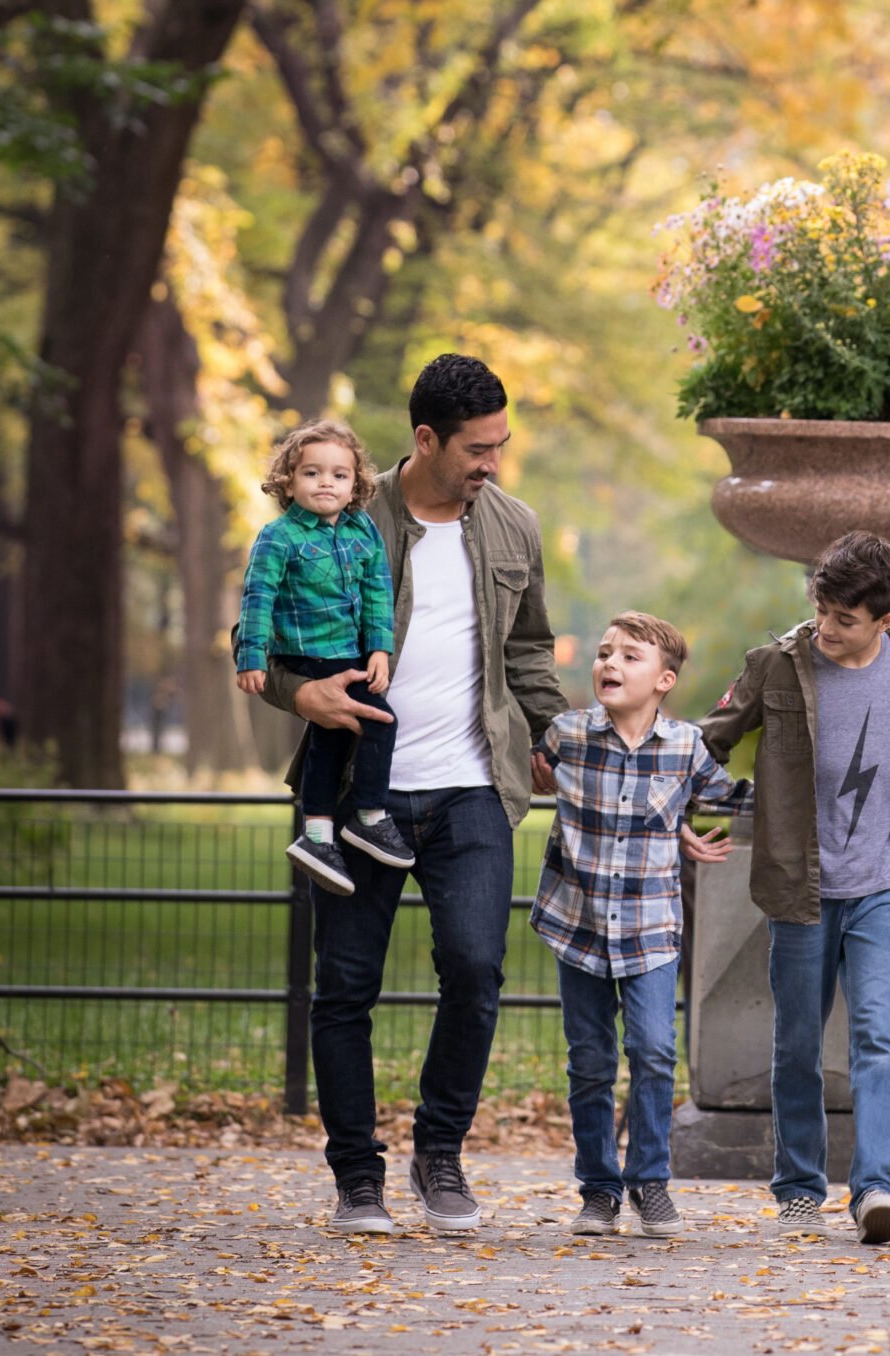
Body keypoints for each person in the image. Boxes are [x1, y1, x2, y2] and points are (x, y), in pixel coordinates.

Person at [258, 355, 582, 1237]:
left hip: (474, 787)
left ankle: (440, 1154)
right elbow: (268, 639)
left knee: (476, 970)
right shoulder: (341, 518)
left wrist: (551, 734)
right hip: (362, 787)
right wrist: (301, 695)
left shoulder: (514, 526)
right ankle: (356, 1176)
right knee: (346, 986)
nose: (493, 463)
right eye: (478, 449)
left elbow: (527, 653)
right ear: (426, 439)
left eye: (501, 446)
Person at [697, 530, 890, 1245]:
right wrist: (699, 805)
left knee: (876, 1037)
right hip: (799, 885)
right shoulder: (775, 663)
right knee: (797, 1042)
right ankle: (800, 1188)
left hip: (884, 881)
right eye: (822, 611)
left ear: (885, 622)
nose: (826, 629)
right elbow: (709, 739)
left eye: (845, 619)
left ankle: (876, 1190)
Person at [529, 613, 750, 1238]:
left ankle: (650, 1183)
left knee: (654, 1051)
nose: (610, 664)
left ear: (664, 680)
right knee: (591, 1062)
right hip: (578, 926)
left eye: (630, 656)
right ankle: (598, 1190)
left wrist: (812, 791)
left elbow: (731, 799)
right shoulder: (567, 735)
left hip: (651, 928)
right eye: (604, 653)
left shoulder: (685, 748)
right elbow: (519, 773)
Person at [236, 419, 414, 893]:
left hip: (352, 653)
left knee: (330, 738)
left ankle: (316, 835)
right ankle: (370, 815)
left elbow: (378, 595)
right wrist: (251, 657)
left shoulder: (363, 533)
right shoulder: (279, 536)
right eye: (312, 473)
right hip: (308, 654)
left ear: (356, 483)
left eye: (339, 475)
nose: (325, 483)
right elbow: (257, 598)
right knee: (379, 722)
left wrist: (380, 648)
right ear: (288, 481)